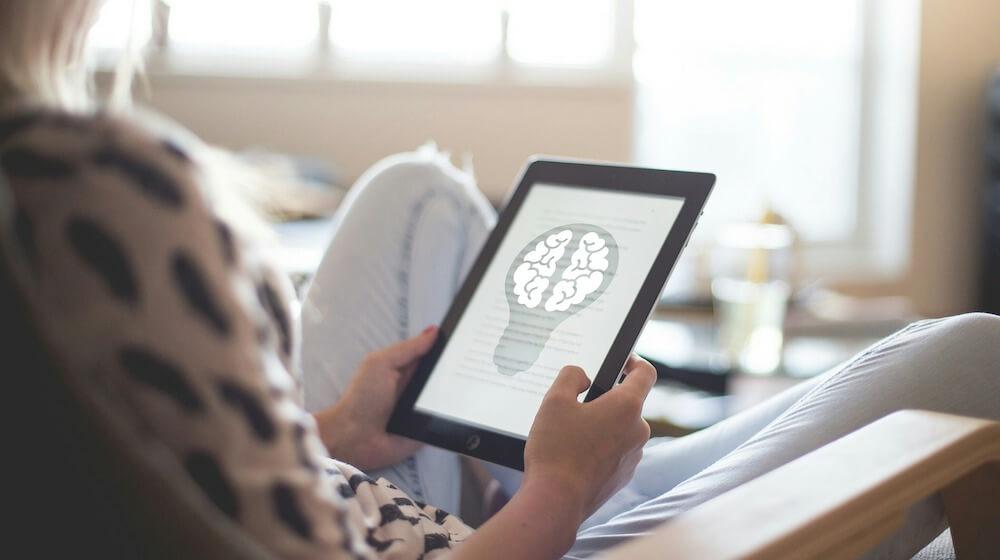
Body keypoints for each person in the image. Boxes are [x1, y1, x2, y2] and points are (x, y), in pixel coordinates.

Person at [1, 2, 997, 559]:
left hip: (385, 504)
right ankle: (562, 482)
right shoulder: (83, 190)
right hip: (506, 543)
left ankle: (533, 463)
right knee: (977, 355)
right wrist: (556, 494)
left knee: (418, 191)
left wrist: (338, 432)